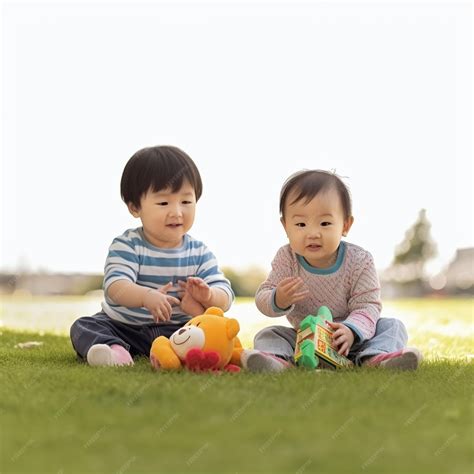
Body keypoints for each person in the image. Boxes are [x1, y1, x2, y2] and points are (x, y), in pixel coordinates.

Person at [242, 170, 422, 372]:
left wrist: (351, 330)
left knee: (392, 326)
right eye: (300, 224)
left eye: (325, 223)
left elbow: (367, 305)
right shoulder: (287, 259)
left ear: (345, 225)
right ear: (286, 226)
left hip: (353, 342)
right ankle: (277, 362)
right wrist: (278, 299)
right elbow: (263, 296)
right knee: (269, 334)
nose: (313, 233)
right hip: (305, 339)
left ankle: (376, 358)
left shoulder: (359, 261)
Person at [70, 146, 234, 367]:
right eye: (163, 203)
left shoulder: (199, 252)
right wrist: (146, 297)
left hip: (177, 332)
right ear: (135, 207)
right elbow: (115, 286)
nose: (177, 212)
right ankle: (115, 352)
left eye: (186, 201)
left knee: (212, 329)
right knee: (84, 326)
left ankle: (185, 354)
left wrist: (208, 295)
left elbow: (226, 295)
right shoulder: (128, 245)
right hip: (124, 327)